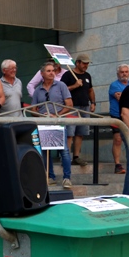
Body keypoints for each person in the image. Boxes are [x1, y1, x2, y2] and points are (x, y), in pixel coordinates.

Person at [31, 61, 74, 189]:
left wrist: (57, 115)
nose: (52, 73)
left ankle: (67, 178)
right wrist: (41, 116)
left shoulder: (61, 85)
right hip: (44, 124)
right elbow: (33, 109)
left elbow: (69, 105)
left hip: (58, 123)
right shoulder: (37, 90)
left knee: (64, 151)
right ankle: (50, 177)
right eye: (48, 71)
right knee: (45, 151)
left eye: (53, 71)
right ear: (42, 74)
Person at [61, 53, 96, 166]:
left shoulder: (87, 76)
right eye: (84, 63)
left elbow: (90, 90)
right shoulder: (67, 75)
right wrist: (74, 86)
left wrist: (93, 102)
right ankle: (65, 157)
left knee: (81, 133)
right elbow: (61, 90)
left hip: (84, 106)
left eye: (87, 64)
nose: (86, 65)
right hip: (71, 107)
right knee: (70, 133)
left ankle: (76, 156)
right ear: (77, 63)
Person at [109, 64, 129, 174]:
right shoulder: (114, 85)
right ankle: (117, 165)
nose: (124, 74)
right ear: (118, 74)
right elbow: (120, 98)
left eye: (126, 72)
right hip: (117, 116)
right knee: (118, 139)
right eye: (122, 72)